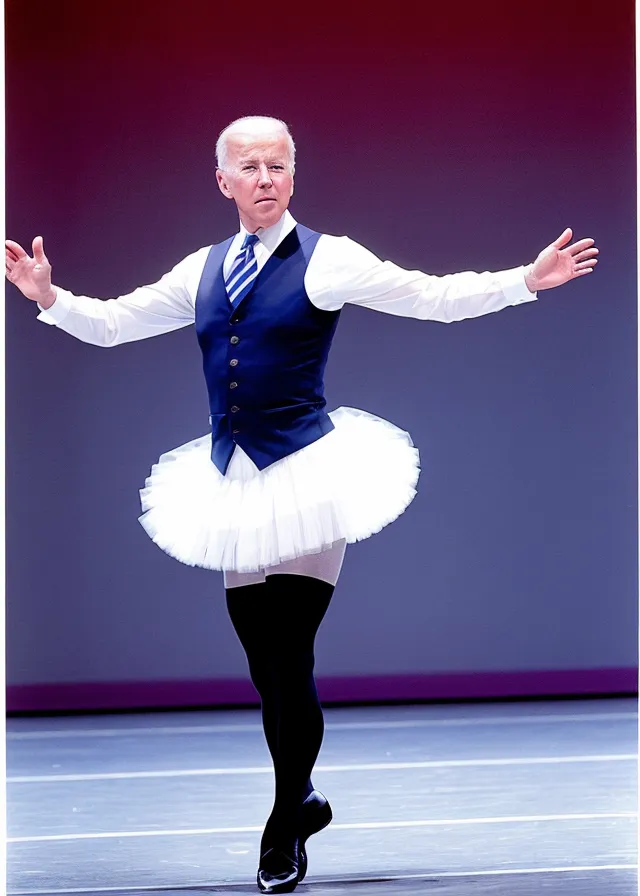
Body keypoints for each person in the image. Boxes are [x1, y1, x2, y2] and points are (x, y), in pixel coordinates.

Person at [5, 115, 598, 894]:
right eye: (248, 166)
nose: (264, 177)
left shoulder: (330, 260)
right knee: (265, 666)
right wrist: (51, 298)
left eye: (277, 164)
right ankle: (307, 795)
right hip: (231, 485)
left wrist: (524, 280)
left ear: (293, 175)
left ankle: (284, 825)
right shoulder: (203, 269)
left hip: (311, 475)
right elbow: (117, 323)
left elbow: (431, 298)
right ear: (223, 180)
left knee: (289, 653)